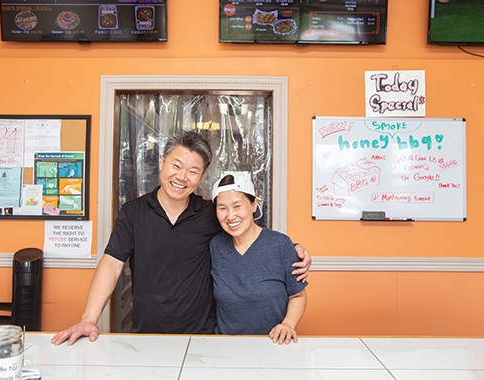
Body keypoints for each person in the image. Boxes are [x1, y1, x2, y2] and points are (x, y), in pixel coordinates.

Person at [52, 131, 311, 346]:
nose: (182, 177)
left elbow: (247, 230)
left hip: (203, 338)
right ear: (163, 161)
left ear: (201, 178)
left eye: (193, 171)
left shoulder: (211, 214)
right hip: (146, 335)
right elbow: (111, 263)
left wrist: (293, 249)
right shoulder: (133, 212)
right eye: (177, 165)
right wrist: (89, 318)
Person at [210, 173, 307, 345]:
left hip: (272, 345)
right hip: (224, 347)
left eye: (237, 206)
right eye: (222, 208)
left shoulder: (281, 245)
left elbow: (298, 296)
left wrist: (287, 325)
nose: (231, 216)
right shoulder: (215, 246)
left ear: (254, 204)